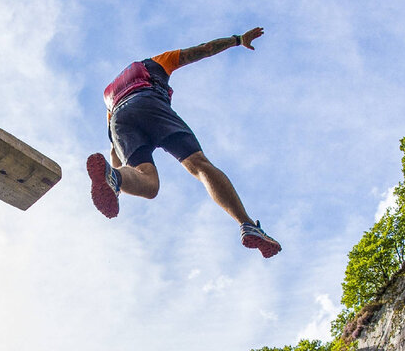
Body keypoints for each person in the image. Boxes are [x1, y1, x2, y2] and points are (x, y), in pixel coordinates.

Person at [86, 27, 282, 258]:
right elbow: (204, 50)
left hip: (120, 120)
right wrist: (237, 40)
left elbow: (113, 147)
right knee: (198, 164)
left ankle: (114, 178)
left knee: (148, 184)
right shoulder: (153, 63)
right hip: (149, 103)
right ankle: (246, 223)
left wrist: (116, 179)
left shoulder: (108, 95)